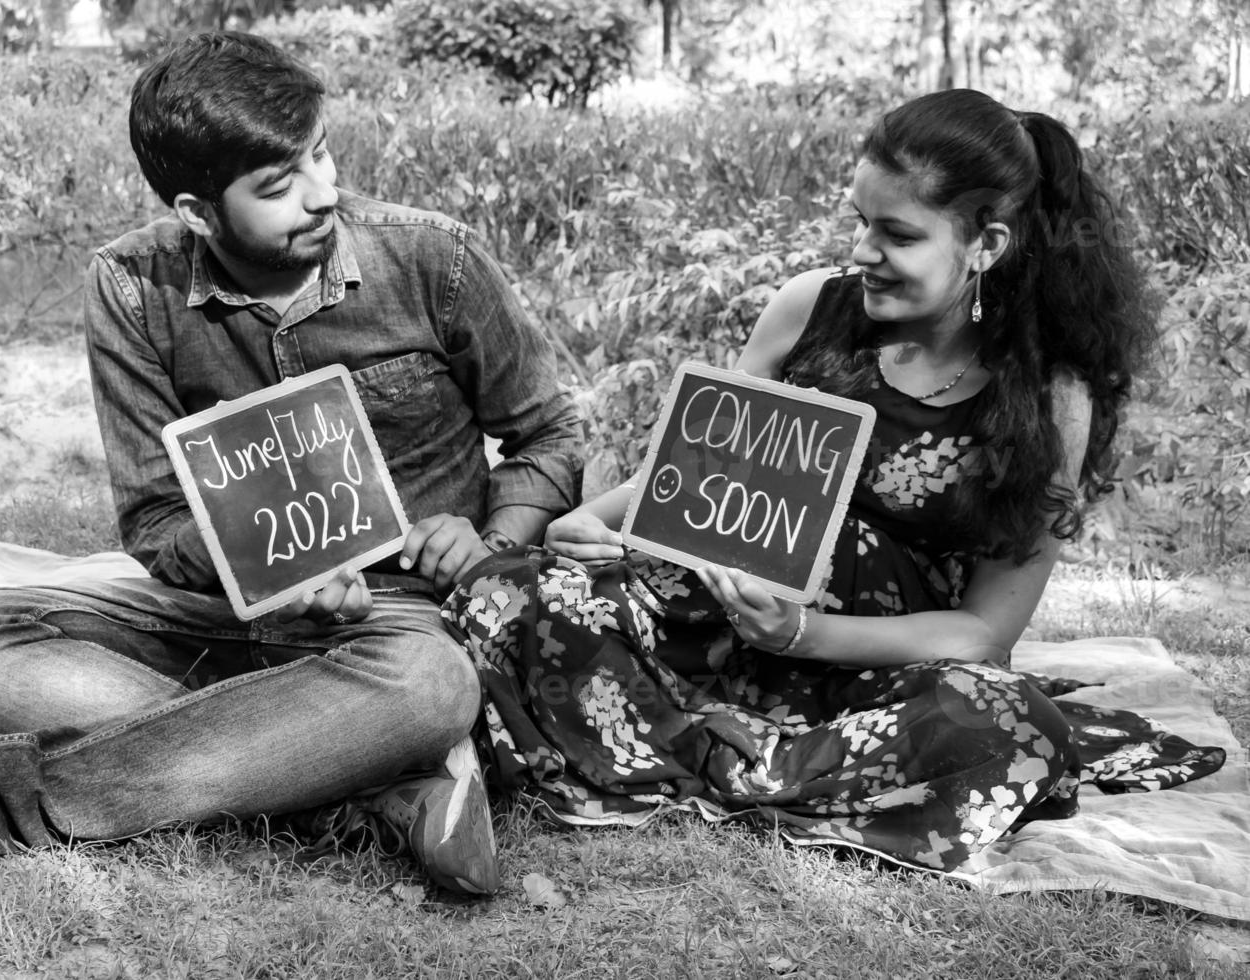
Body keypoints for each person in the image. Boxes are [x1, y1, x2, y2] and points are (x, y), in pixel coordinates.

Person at [0, 31, 583, 895]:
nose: (325, 194)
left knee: (432, 686)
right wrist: (270, 570)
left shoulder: (436, 260)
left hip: (399, 623)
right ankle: (355, 781)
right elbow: (157, 523)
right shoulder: (131, 286)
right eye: (279, 187)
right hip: (219, 619)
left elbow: (551, 437)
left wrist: (487, 536)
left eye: (322, 155)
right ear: (198, 211)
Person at [442, 88, 1224, 872]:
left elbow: (985, 633)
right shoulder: (808, 308)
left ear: (985, 244)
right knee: (506, 595)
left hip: (874, 670)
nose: (863, 252)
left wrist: (801, 633)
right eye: (860, 222)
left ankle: (677, 755)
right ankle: (743, 756)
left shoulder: (1050, 398)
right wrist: (592, 524)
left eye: (898, 235)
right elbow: (686, 474)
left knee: (1005, 724)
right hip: (710, 623)